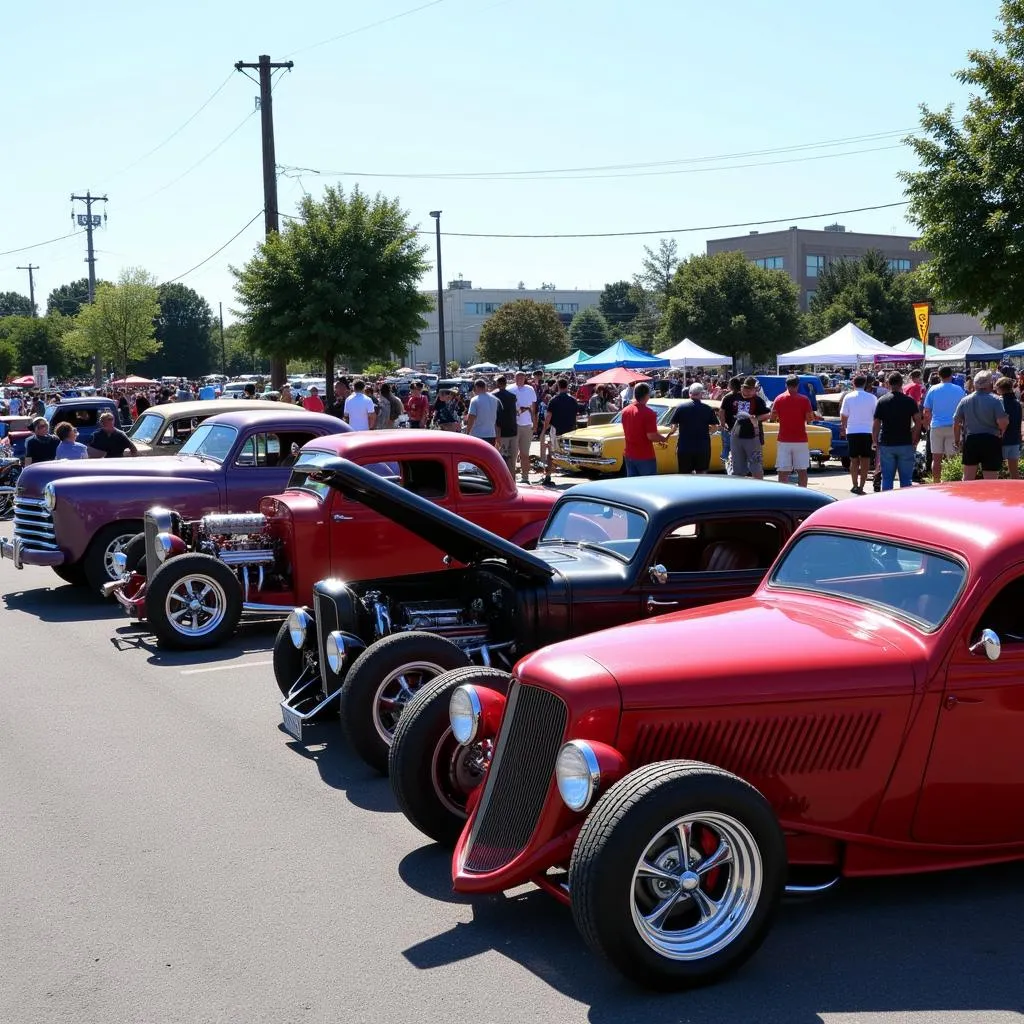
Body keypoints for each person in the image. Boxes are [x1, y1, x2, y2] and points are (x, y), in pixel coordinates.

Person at [954, 370, 1009, 480]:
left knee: (968, 478)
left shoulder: (965, 400)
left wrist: (957, 440)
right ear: (990, 383)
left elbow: (956, 422)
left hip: (971, 440)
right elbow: (1002, 423)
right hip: (991, 440)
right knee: (991, 479)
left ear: (975, 384)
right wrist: (1001, 432)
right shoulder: (996, 400)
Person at [871, 372, 921, 491]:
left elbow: (876, 423)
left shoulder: (882, 401)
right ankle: (904, 505)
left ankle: (887, 505)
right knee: (906, 480)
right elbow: (918, 422)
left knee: (887, 479)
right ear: (901, 383)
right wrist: (914, 438)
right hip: (905, 443)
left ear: (888, 383)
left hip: (887, 443)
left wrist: (874, 441)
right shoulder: (909, 401)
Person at [922, 365, 966, 483]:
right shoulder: (959, 389)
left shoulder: (932, 389)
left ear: (939, 375)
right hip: (954, 427)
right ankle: (952, 482)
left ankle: (936, 482)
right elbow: (963, 409)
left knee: (936, 459)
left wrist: (926, 424)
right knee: (952, 458)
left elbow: (927, 411)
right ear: (951, 375)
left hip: (936, 426)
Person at [663, 382, 720, 474]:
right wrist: (706, 430)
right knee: (701, 473)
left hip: (684, 447)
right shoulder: (707, 409)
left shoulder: (681, 408)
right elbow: (715, 428)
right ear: (701, 394)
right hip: (702, 447)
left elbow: (673, 427)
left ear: (690, 393)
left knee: (685, 474)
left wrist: (668, 436)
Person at [769, 375, 815, 487]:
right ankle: (803, 494)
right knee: (802, 470)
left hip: (784, 439)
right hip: (801, 440)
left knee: (783, 471)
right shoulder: (804, 400)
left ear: (786, 385)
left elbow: (772, 418)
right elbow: (810, 419)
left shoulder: (779, 399)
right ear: (798, 385)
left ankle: (783, 496)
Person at [839, 374, 877, 494]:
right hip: (867, 431)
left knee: (853, 459)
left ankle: (854, 484)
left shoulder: (848, 397)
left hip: (852, 431)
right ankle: (862, 485)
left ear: (853, 384)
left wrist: (843, 428)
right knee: (865, 459)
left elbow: (843, 415)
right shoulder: (872, 398)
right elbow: (876, 416)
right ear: (865, 384)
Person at [620, 382, 667, 477]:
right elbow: (651, 436)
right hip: (644, 455)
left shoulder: (625, 410)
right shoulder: (649, 413)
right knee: (648, 485)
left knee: (633, 485)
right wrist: (663, 438)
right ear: (646, 395)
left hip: (629, 454)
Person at [728, 377, 770, 480]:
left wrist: (756, 418)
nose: (747, 390)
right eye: (745, 388)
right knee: (737, 468)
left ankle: (758, 491)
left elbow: (767, 414)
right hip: (736, 435)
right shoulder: (733, 397)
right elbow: (723, 410)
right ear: (741, 387)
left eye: (750, 389)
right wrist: (725, 423)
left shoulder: (758, 400)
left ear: (755, 390)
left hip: (752, 436)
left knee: (756, 466)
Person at [541, 378, 579, 484]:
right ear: (567, 386)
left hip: (556, 429)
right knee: (568, 452)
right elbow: (576, 416)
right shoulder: (573, 400)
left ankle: (548, 475)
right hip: (570, 431)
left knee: (551, 453)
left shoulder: (553, 400)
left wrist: (544, 430)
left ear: (557, 386)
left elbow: (548, 417)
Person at [508, 371, 537, 484]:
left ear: (524, 378)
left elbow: (534, 407)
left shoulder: (530, 389)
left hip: (527, 425)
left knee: (525, 453)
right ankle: (512, 478)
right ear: (514, 378)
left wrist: (534, 423)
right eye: (517, 377)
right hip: (514, 425)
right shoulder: (510, 389)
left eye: (521, 377)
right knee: (513, 454)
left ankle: (525, 477)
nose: (519, 379)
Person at [492, 375, 519, 476]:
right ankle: (513, 481)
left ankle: (504, 480)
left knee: (502, 458)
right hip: (513, 429)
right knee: (512, 460)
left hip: (500, 431)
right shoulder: (512, 396)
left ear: (498, 383)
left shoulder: (494, 396)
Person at [996, 376, 1021, 478]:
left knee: (995, 471)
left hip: (1001, 439)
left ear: (1000, 388)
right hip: (1014, 439)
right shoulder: (1017, 403)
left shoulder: (999, 402)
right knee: (1014, 471)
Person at [717, 377, 744, 470]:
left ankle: (726, 464)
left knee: (727, 446)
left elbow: (721, 412)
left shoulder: (727, 397)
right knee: (738, 448)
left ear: (731, 386)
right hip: (741, 427)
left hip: (729, 426)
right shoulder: (743, 396)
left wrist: (723, 424)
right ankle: (736, 465)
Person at [464, 379, 500, 445]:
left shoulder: (475, 400)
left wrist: (468, 432)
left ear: (476, 387)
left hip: (478, 434)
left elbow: (471, 417)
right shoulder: (495, 399)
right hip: (491, 434)